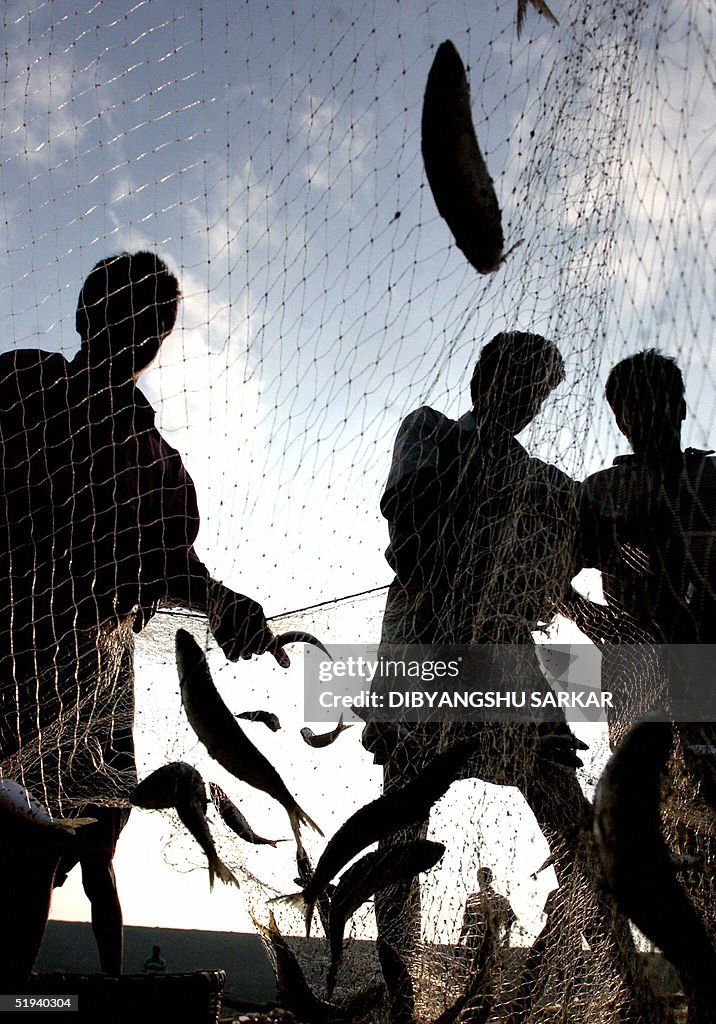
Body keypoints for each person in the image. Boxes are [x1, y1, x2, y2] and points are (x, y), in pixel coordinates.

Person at [0, 252, 277, 985]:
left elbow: (172, 566)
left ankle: (17, 1001)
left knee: (34, 850)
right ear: (89, 313)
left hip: (77, 691)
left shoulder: (162, 465)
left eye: (157, 319)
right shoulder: (18, 381)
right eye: (129, 308)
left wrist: (223, 602)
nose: (143, 328)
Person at [364, 333, 603, 1021]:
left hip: (505, 654)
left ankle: (607, 973)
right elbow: (406, 525)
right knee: (403, 822)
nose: (524, 399)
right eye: (514, 380)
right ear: (482, 380)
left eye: (537, 390)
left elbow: (589, 539)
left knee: (566, 808)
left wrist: (576, 522)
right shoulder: (432, 430)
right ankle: (400, 995)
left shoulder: (548, 483)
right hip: (427, 641)